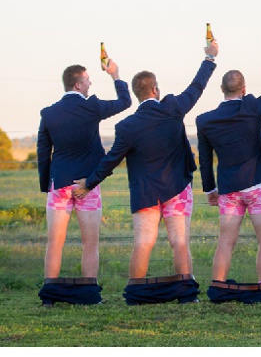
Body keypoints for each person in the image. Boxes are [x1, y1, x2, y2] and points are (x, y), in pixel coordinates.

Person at [76, 40, 218, 282]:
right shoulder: (173, 107)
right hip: (178, 189)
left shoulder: (127, 126)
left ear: (136, 94)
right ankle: (185, 292)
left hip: (145, 193)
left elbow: (110, 161)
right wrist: (210, 58)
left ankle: (136, 292)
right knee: (180, 242)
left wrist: (88, 183)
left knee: (143, 243)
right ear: (155, 90)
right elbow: (197, 86)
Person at [196, 40, 261, 287]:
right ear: (244, 89)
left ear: (221, 89)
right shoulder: (252, 107)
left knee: (225, 241)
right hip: (257, 184)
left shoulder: (206, 121)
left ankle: (217, 286)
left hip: (228, 188)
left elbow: (205, 158)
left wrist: (209, 189)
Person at [37, 58, 131, 282]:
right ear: (78, 84)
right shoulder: (93, 107)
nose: (90, 84)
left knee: (55, 243)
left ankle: (50, 292)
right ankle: (90, 290)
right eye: (88, 80)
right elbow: (125, 101)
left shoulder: (48, 113)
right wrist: (115, 75)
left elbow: (43, 152)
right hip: (87, 185)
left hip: (59, 184)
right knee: (90, 243)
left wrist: (47, 186)